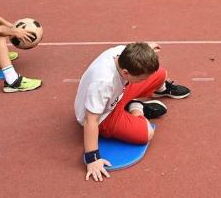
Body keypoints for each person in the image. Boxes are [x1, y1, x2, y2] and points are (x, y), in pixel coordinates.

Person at [74, 41, 191, 182]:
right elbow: (90, 120)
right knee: (146, 133)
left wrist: (147, 49)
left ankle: (160, 90)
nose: (145, 80)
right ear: (125, 72)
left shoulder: (122, 53)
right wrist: (92, 158)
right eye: (142, 79)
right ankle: (136, 107)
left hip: (117, 94)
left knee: (160, 73)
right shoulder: (103, 82)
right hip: (103, 117)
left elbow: (136, 49)